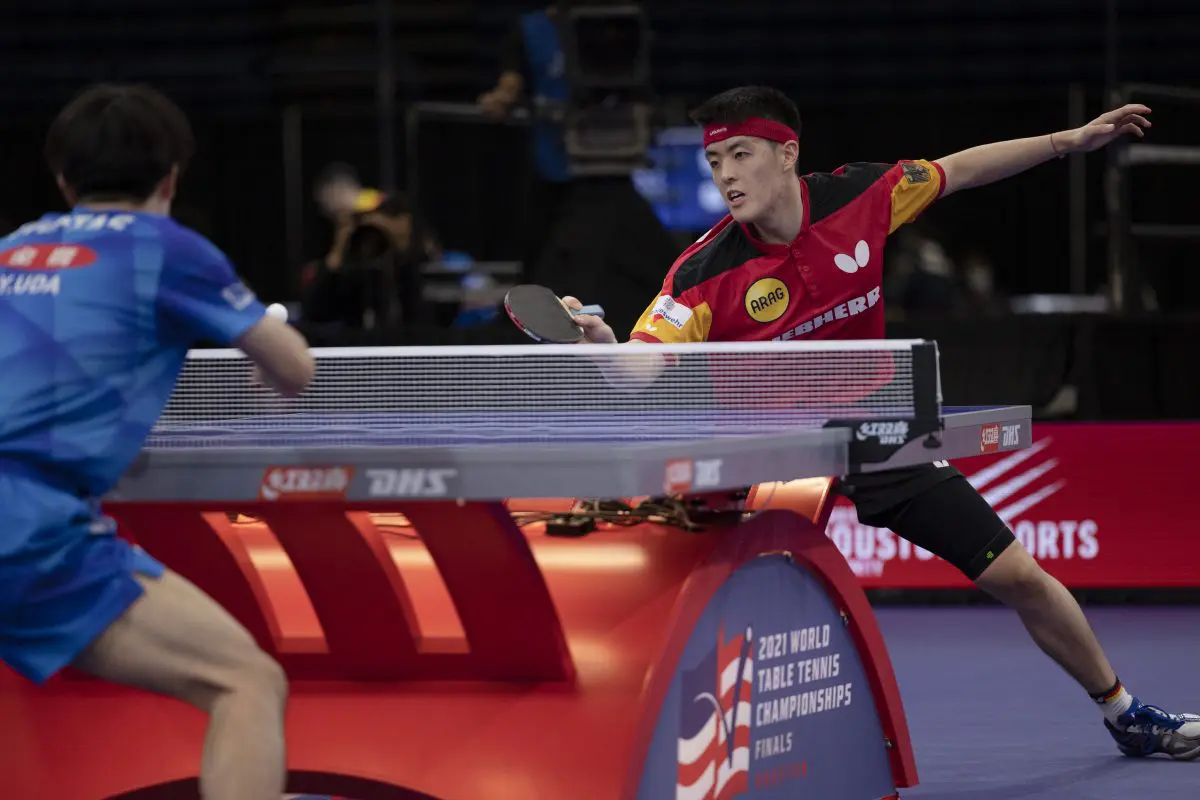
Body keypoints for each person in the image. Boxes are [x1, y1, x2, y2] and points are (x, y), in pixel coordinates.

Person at [564, 85, 1200, 760]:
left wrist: (1068, 141)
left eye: (740, 154)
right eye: (715, 160)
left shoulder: (861, 197)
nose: (725, 175)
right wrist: (604, 348)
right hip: (763, 452)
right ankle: (640, 737)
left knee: (1017, 574)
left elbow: (961, 169)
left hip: (874, 433)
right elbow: (642, 365)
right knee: (696, 592)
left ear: (787, 154)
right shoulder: (700, 272)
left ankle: (1125, 713)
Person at [0, 83, 314, 798]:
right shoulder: (168, 249)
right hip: (24, 527)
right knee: (244, 681)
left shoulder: (12, 248)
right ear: (171, 178)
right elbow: (295, 368)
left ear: (63, 180)